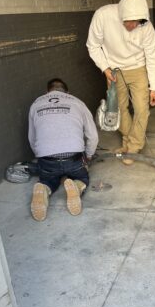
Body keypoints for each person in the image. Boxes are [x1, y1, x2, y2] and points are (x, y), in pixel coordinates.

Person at [87, 0, 155, 165]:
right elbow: (93, 45)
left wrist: (154, 87)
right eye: (130, 22)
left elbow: (153, 56)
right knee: (118, 108)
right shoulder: (103, 15)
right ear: (121, 15)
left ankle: (134, 147)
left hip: (138, 68)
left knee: (142, 107)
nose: (134, 25)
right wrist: (105, 68)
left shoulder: (146, 26)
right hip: (113, 70)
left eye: (137, 22)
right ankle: (128, 141)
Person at [28, 78, 98, 221]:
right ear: (67, 92)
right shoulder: (78, 102)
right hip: (73, 158)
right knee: (83, 177)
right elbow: (93, 136)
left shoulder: (36, 104)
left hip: (47, 160)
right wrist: (89, 155)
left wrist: (40, 156)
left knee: (49, 180)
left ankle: (44, 188)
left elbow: (32, 137)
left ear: (47, 92)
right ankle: (77, 186)